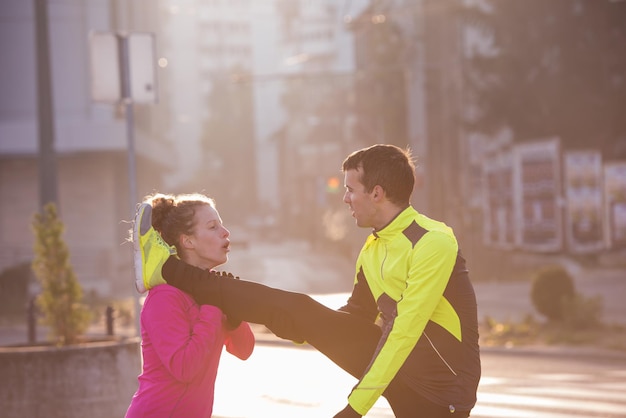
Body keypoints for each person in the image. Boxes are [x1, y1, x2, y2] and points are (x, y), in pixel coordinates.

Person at [134, 144, 481, 417]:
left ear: (376, 193)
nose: (344, 198)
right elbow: (353, 320)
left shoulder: (433, 241)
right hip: (407, 377)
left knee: (299, 308)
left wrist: (355, 408)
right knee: (299, 309)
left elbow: (405, 331)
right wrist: (298, 327)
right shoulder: (374, 248)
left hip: (440, 389)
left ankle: (167, 270)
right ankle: (166, 270)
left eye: (350, 189)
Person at [126, 193, 255, 418]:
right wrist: (213, 305)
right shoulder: (165, 297)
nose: (225, 232)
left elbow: (244, 350)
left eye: (222, 225)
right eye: (213, 227)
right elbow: (185, 368)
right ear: (188, 241)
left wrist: (233, 318)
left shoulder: (212, 290)